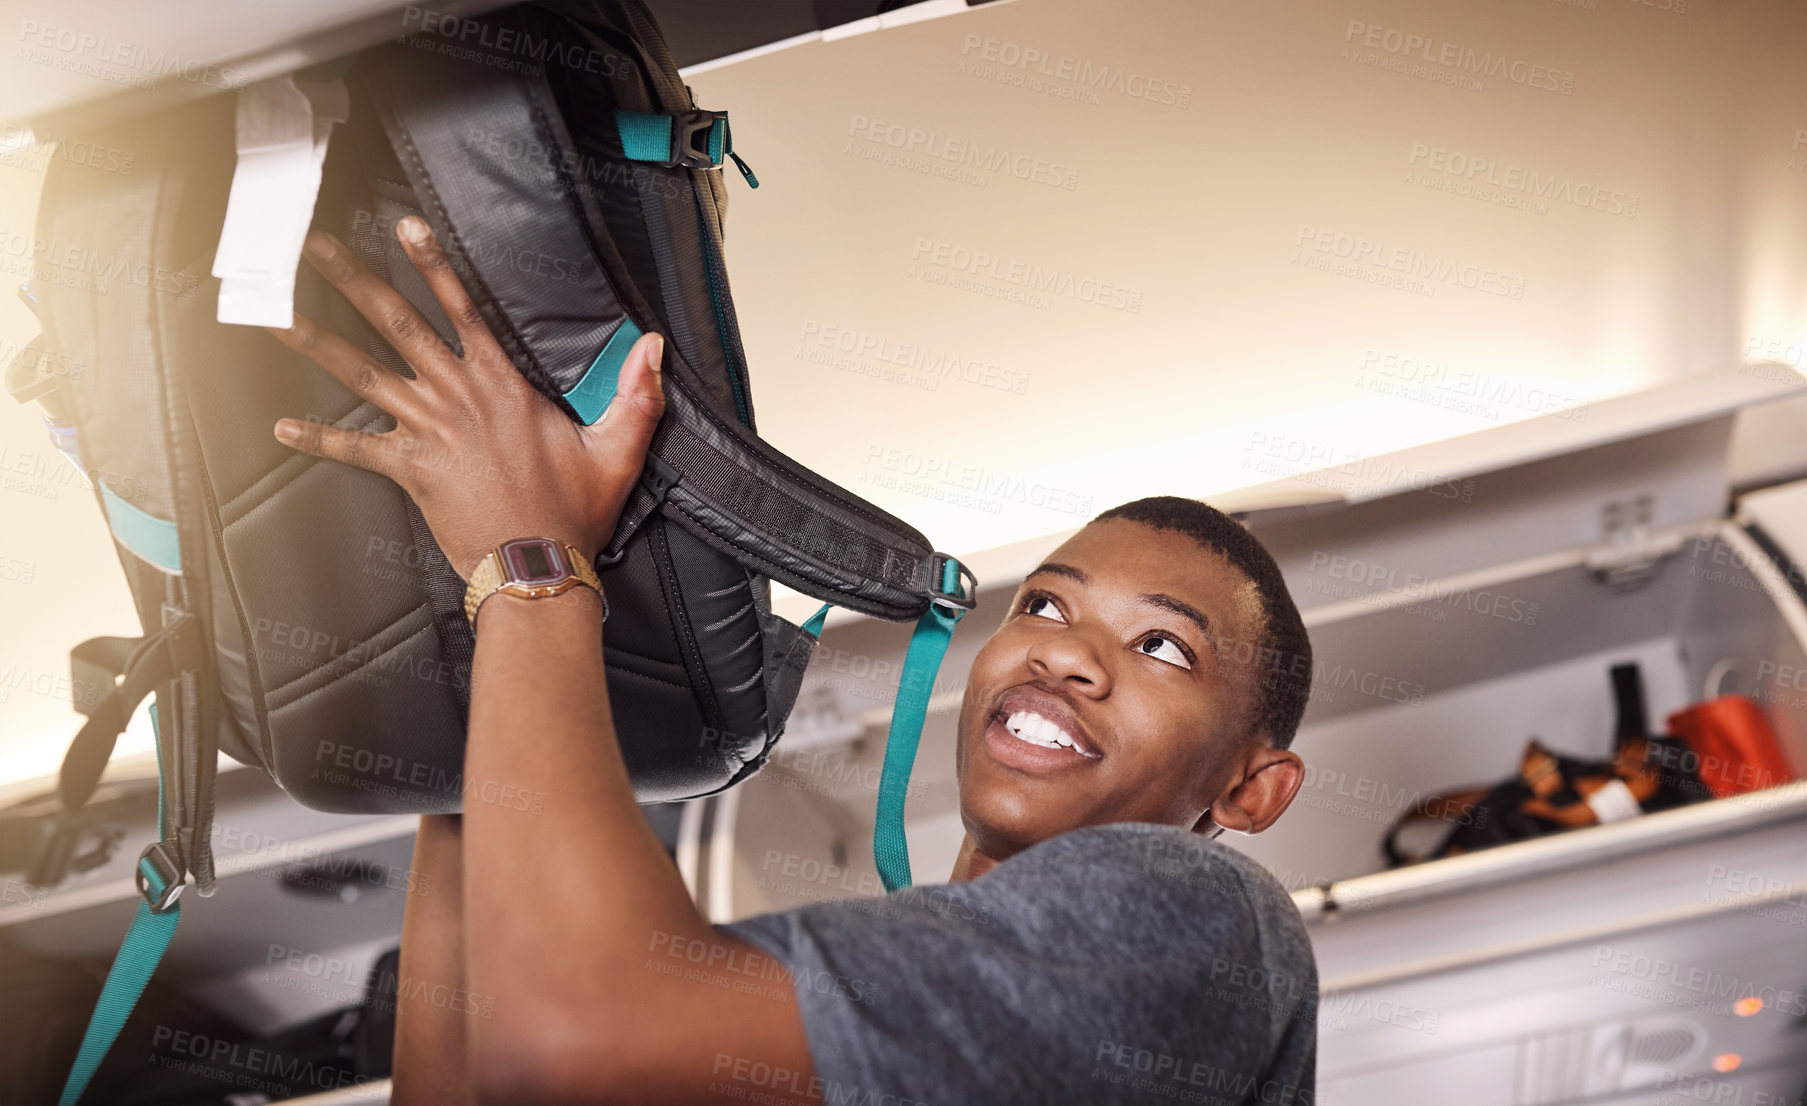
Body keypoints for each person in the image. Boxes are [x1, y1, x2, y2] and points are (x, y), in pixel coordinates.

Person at [267, 216, 1320, 1105]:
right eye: (1046, 602)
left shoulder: (1203, 915)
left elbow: (570, 1031)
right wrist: (490, 605)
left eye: (1160, 645)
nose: (1068, 657)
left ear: (1253, 786)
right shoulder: (891, 993)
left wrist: (526, 565)